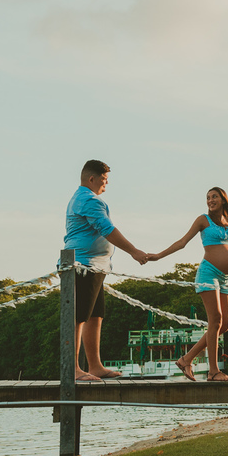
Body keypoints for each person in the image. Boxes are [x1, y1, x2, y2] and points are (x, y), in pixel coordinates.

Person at [148, 187, 228, 381]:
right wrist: (158, 256)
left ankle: (186, 359)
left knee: (225, 325)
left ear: (223, 199)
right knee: (215, 320)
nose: (210, 200)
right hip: (208, 274)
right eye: (208, 198)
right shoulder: (203, 220)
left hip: (225, 279)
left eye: (214, 196)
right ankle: (213, 371)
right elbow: (182, 242)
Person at [64, 159, 150, 381]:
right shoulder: (88, 200)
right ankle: (73, 369)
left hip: (95, 266)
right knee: (78, 316)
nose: (106, 183)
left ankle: (95, 366)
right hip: (83, 265)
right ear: (92, 179)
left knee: (95, 315)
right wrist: (133, 251)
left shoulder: (85, 198)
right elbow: (107, 228)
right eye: (104, 179)